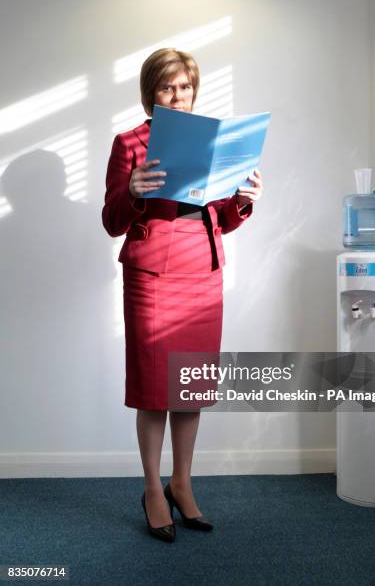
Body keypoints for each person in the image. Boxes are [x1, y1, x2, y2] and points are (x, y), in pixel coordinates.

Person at [102, 48, 263, 543]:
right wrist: (132, 189)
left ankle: (182, 482)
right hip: (152, 274)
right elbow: (112, 222)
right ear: (151, 93)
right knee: (155, 390)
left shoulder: (217, 142)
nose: (178, 96)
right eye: (167, 87)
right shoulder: (130, 142)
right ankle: (153, 488)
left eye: (185, 87)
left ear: (195, 90)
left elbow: (223, 219)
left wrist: (242, 201)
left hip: (203, 269)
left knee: (189, 387)